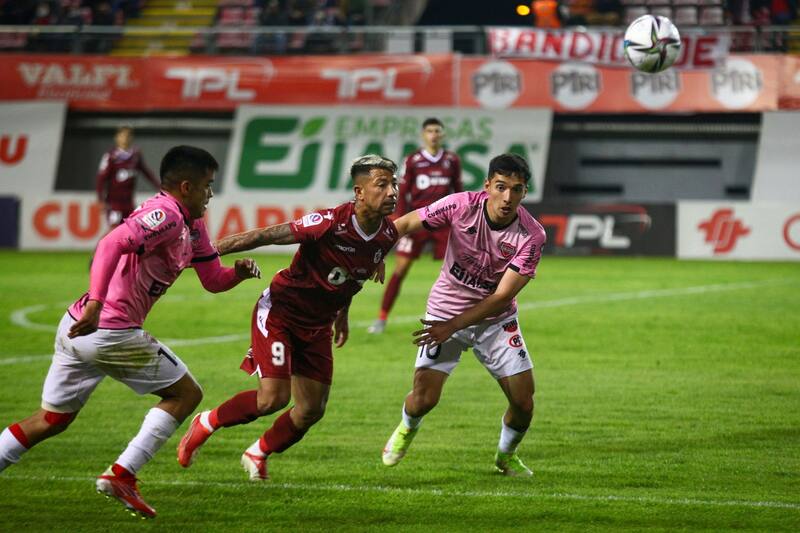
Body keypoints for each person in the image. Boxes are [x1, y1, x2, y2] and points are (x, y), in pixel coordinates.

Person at [0, 146, 261, 518]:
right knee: (186, 395)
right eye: (207, 185)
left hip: (78, 331)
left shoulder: (193, 224)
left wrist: (237, 272)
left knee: (52, 419)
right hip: (108, 330)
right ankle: (122, 473)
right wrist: (95, 302)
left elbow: (212, 280)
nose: (211, 194)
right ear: (186, 186)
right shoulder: (166, 215)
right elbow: (110, 243)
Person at [176, 154, 399, 481]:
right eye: (383, 184)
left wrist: (343, 315)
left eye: (395, 184)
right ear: (359, 192)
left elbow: (352, 278)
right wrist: (200, 254)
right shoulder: (328, 222)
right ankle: (206, 422)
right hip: (282, 313)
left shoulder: (386, 236)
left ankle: (258, 452)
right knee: (272, 399)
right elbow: (265, 236)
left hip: (319, 324)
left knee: (311, 410)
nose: (392, 191)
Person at [381, 153, 546, 477]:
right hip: (445, 309)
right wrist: (375, 253)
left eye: (516, 189)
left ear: (525, 192)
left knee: (524, 402)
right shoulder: (460, 205)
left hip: (493, 321)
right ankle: (405, 428)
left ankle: (505, 456)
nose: (507, 197)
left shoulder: (532, 235)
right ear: (487, 186)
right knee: (424, 400)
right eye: (501, 187)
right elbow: (405, 223)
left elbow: (501, 297)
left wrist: (452, 327)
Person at [368, 117, 463, 334]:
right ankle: (381, 319)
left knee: (456, 271)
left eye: (437, 131)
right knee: (400, 270)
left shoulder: (451, 160)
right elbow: (403, 192)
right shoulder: (413, 160)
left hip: (444, 223)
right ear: (423, 134)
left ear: (443, 134)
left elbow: (458, 191)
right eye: (430, 131)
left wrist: (459, 219)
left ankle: (458, 321)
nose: (434, 134)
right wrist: (401, 222)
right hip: (418, 220)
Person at [96, 125, 160, 229]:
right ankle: (104, 245)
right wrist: (100, 200)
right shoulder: (111, 156)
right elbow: (101, 179)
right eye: (122, 136)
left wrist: (159, 186)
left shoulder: (135, 155)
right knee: (114, 230)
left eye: (128, 136)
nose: (125, 138)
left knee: (130, 231)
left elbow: (146, 172)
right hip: (113, 203)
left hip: (128, 202)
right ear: (116, 138)